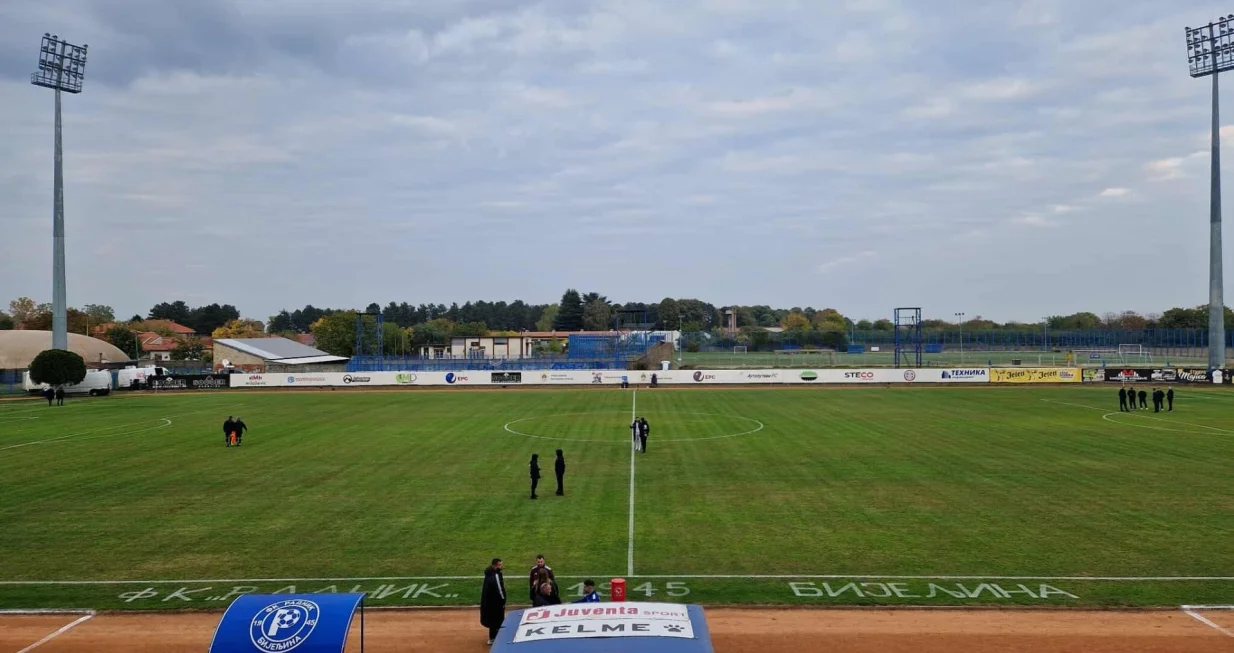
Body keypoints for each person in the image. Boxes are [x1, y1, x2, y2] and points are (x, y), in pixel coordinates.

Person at [480, 558, 506, 645]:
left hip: (489, 602)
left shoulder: (489, 574)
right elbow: (500, 590)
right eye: (500, 565)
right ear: (494, 566)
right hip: (496, 602)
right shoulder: (495, 576)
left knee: (493, 620)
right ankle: (497, 638)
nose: (501, 566)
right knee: (498, 620)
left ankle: (492, 638)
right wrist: (503, 601)